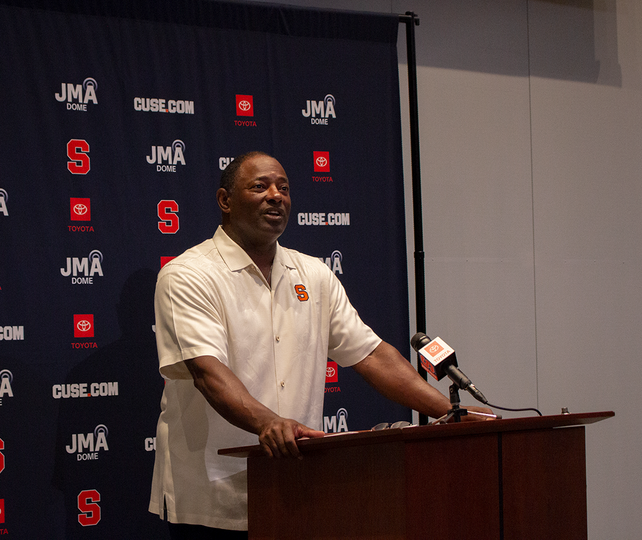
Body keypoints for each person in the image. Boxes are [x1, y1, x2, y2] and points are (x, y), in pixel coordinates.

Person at [148, 151, 491, 539]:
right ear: (225, 201)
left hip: (297, 481)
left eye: (284, 188)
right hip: (212, 496)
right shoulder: (188, 274)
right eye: (260, 186)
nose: (276, 195)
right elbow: (209, 374)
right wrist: (269, 423)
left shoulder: (313, 273)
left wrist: (453, 414)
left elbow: (373, 355)